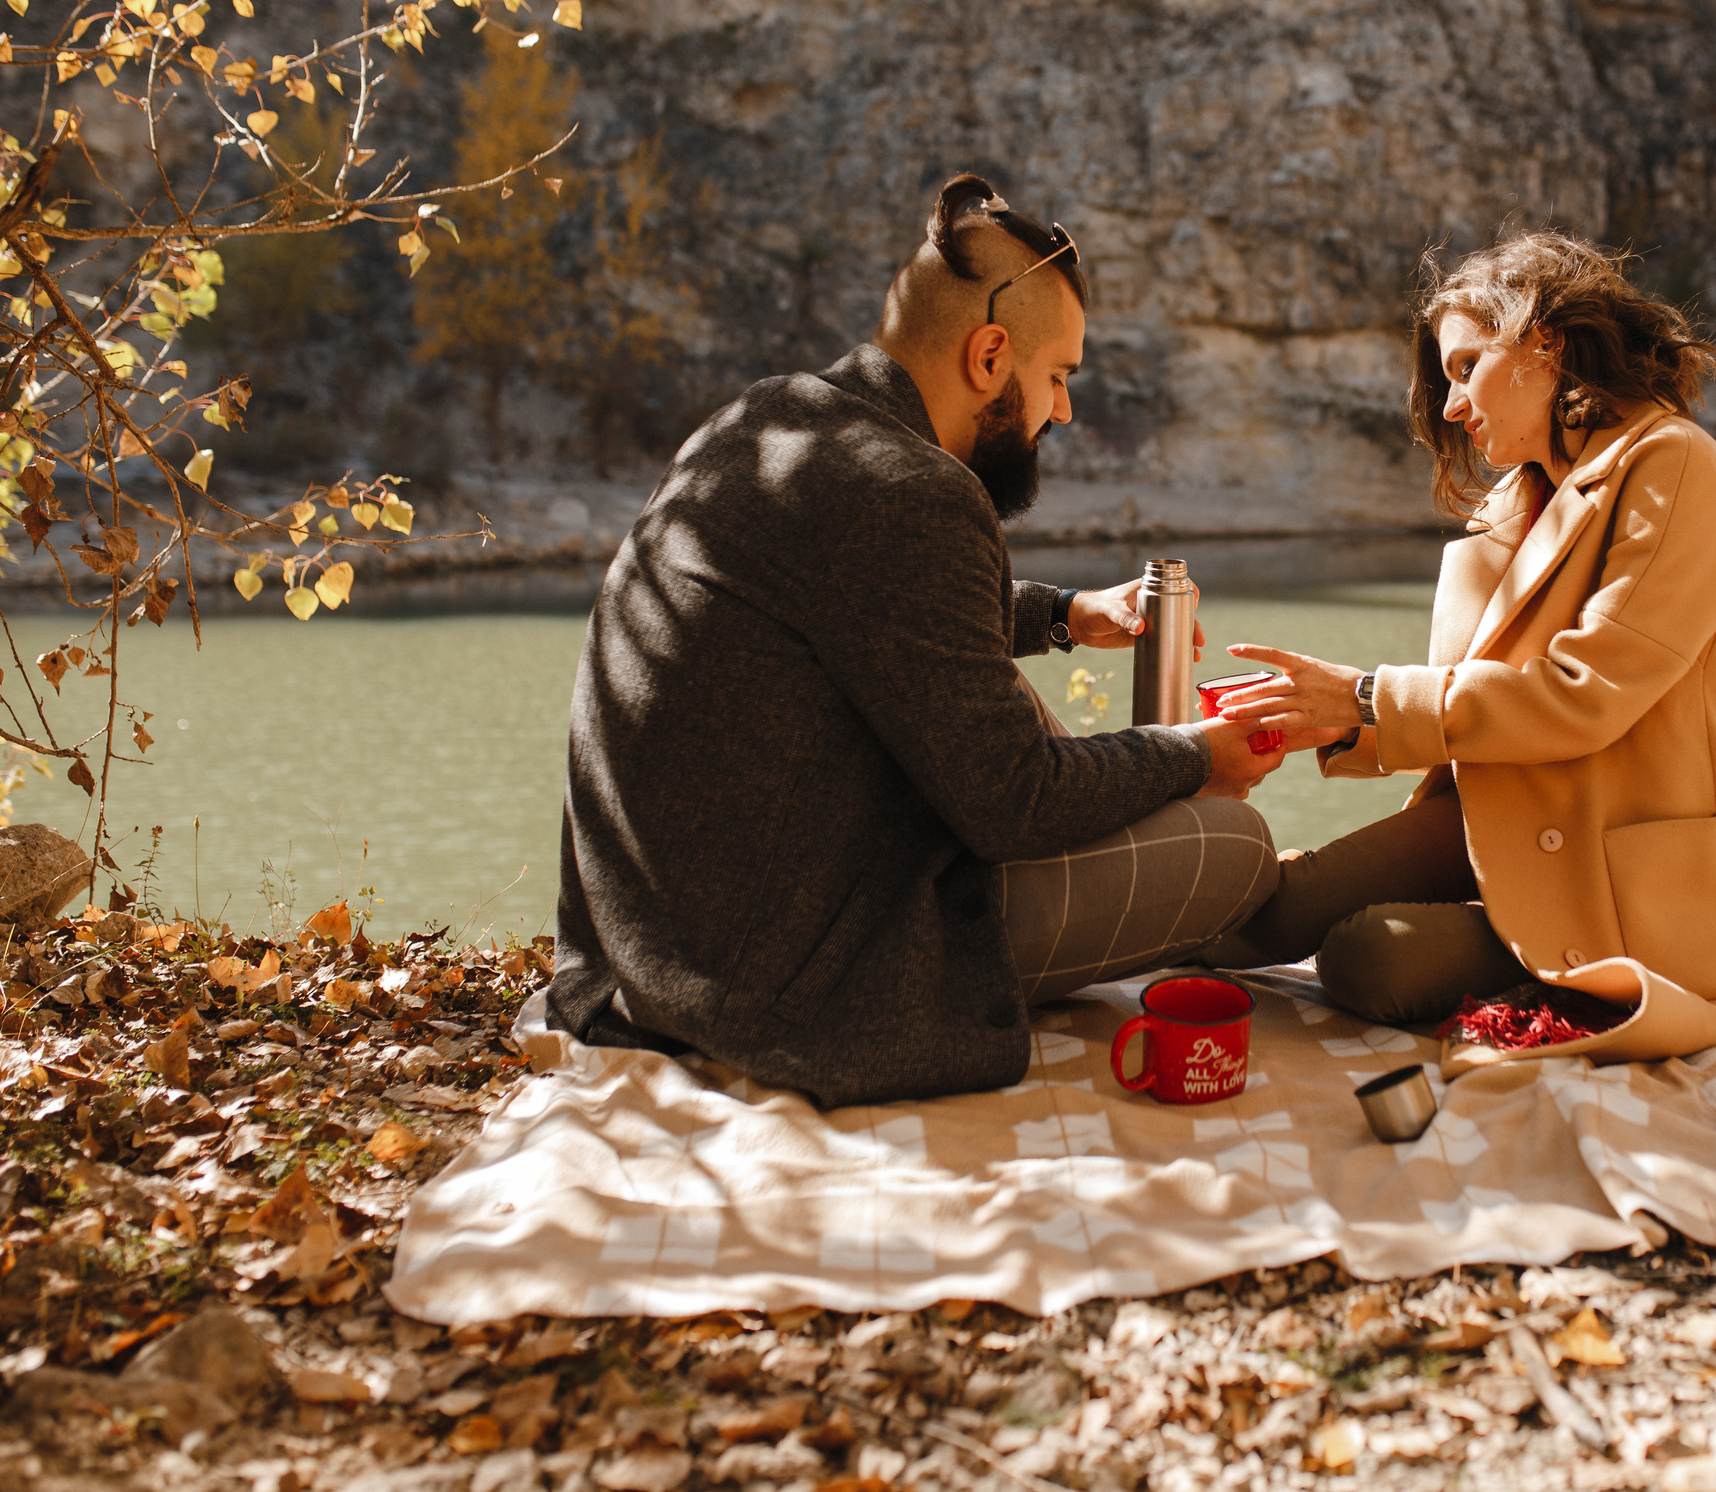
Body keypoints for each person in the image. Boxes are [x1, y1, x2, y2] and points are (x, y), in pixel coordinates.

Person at [544, 174, 1288, 1108]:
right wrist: (1197, 756)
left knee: (1023, 714)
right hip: (782, 971)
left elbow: (868, 611)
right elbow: (1013, 801)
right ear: (988, 354)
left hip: (645, 943)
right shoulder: (916, 491)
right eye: (1056, 377)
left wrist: (1060, 614)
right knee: (1237, 847)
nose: (1061, 411)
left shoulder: (774, 417)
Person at [1208, 231, 1716, 1065]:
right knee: (1263, 903)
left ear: (1543, 341)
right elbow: (1466, 712)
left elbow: (1580, 695)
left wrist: (1370, 694)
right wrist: (1327, 721)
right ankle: (1049, 934)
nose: (1450, 407)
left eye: (1463, 368)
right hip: (1501, 825)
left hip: (1643, 889)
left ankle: (1547, 978)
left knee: (1367, 954)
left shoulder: (1678, 469)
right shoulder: (1511, 508)